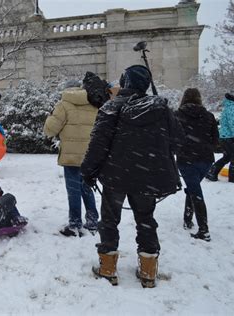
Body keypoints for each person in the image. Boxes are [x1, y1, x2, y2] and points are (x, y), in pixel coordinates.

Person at [81, 65, 183, 288]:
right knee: (146, 220)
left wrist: (88, 172)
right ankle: (148, 271)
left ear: (125, 82)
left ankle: (108, 267)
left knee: (109, 220)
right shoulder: (162, 109)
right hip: (147, 177)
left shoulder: (112, 107)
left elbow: (98, 144)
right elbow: (176, 142)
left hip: (115, 176)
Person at [44, 73, 109, 237]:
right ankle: (93, 220)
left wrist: (50, 121)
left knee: (73, 190)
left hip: (71, 157)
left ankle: (74, 224)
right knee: (87, 187)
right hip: (90, 155)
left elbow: (50, 129)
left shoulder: (64, 104)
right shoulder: (93, 103)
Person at [175, 88, 218, 241]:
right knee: (194, 188)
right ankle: (187, 219)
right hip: (205, 160)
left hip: (186, 160)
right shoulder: (209, 116)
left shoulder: (177, 116)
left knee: (195, 191)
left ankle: (204, 230)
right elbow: (215, 141)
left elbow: (172, 138)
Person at [206, 93, 234, 183]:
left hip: (225, 137)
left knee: (227, 156)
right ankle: (233, 178)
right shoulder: (232, 108)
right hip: (230, 137)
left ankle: (212, 172)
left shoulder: (229, 107)